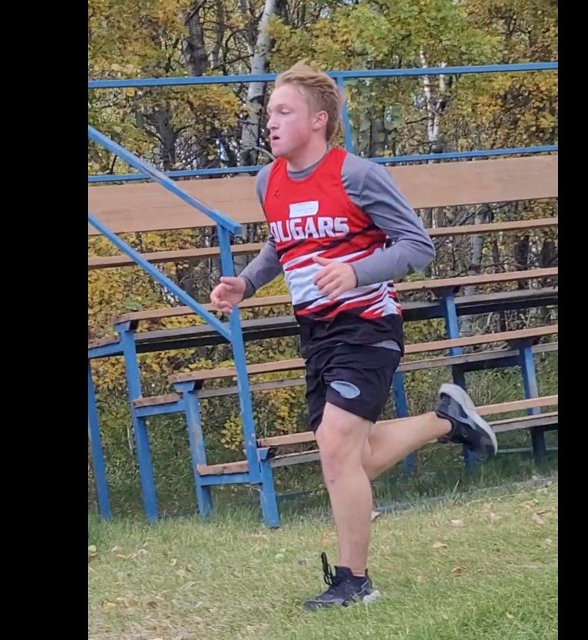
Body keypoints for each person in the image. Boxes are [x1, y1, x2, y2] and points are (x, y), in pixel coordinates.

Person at [210, 60, 498, 610]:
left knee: (338, 450)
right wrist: (246, 283)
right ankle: (447, 421)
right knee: (346, 458)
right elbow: (283, 244)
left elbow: (418, 246)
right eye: (269, 111)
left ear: (319, 120)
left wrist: (356, 272)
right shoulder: (267, 180)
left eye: (283, 111)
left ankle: (354, 582)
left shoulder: (357, 175)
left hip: (367, 325)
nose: (269, 121)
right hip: (314, 332)